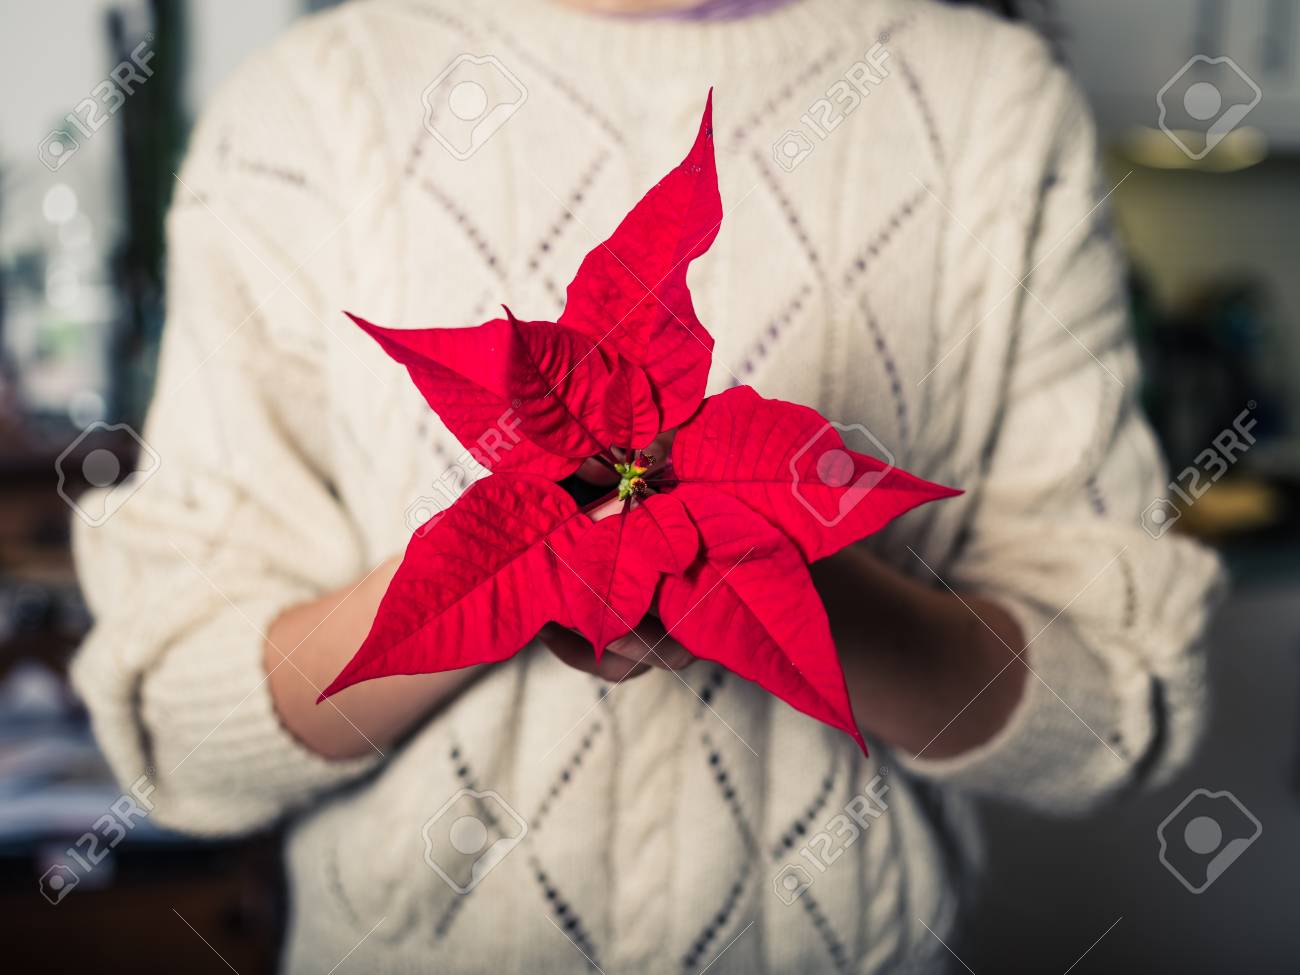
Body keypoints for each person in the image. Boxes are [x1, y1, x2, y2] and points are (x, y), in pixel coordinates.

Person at [71, 0, 1223, 971]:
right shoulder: (303, 112)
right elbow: (179, 721)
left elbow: (1118, 707)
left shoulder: (993, 106)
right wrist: (531, 563)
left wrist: (759, 556)